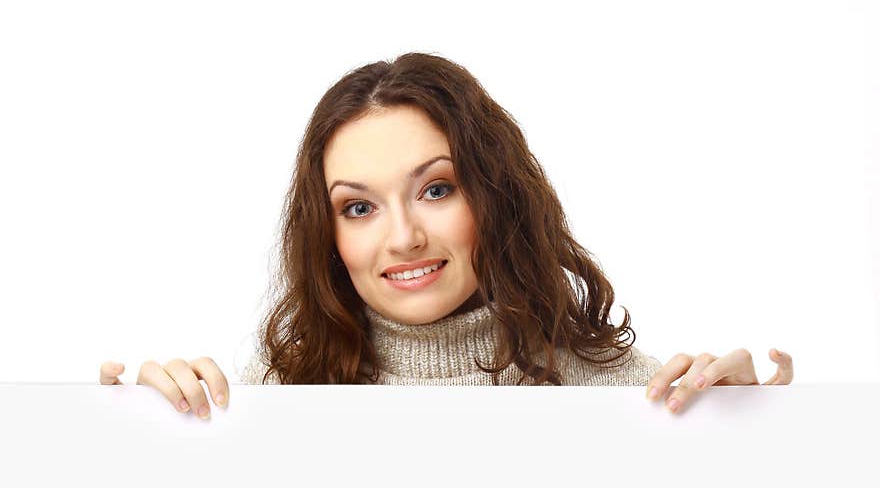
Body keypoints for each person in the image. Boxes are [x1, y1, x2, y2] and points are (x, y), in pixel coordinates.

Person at [100, 52, 794, 418]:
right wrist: (133, 439)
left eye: (436, 189)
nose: (403, 237)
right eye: (359, 208)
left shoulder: (626, 394)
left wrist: (762, 443)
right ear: (327, 235)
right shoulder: (270, 396)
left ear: (494, 194)